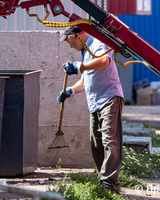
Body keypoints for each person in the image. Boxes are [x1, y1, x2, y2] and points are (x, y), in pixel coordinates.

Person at [57, 26, 124, 194]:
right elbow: (85, 81)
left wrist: (80, 66)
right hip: (96, 103)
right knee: (97, 144)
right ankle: (107, 182)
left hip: (109, 98)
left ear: (76, 36)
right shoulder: (86, 52)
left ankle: (108, 185)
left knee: (110, 141)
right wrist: (70, 91)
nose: (70, 46)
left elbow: (104, 61)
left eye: (69, 41)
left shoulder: (98, 43)